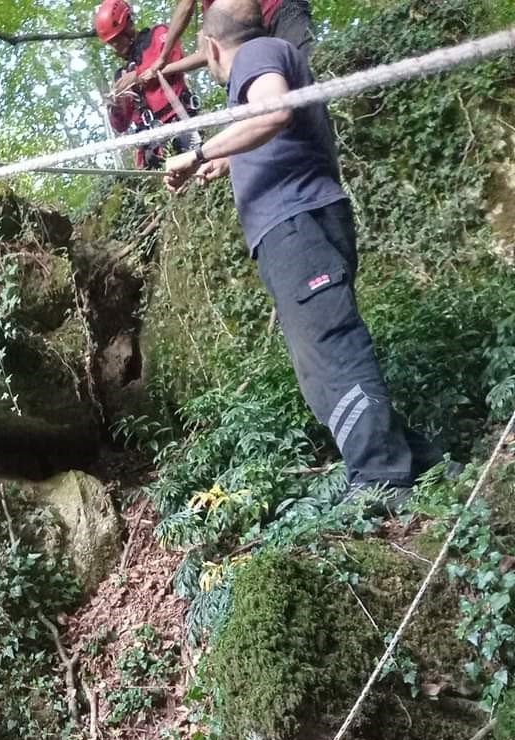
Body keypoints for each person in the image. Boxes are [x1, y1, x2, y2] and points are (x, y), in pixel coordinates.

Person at [163, 0, 428, 502]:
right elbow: (276, 127)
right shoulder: (271, 53)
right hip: (298, 224)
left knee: (331, 350)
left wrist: (199, 151)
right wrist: (225, 162)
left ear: (213, 48)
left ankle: (381, 479)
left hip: (295, 225)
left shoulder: (256, 55)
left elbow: (275, 109)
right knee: (318, 362)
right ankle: (409, 457)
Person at [94, 0, 199, 169]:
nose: (115, 48)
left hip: (181, 124)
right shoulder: (122, 74)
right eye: (111, 44)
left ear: (128, 26)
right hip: (151, 144)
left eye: (117, 40)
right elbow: (121, 125)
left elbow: (174, 60)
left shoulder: (158, 36)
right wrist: (116, 106)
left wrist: (137, 76)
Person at [152, 0, 312, 85]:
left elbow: (186, 6)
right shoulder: (213, 11)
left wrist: (163, 56)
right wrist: (164, 70)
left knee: (299, 80)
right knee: (263, 96)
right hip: (251, 39)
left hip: (279, 11)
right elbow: (205, 54)